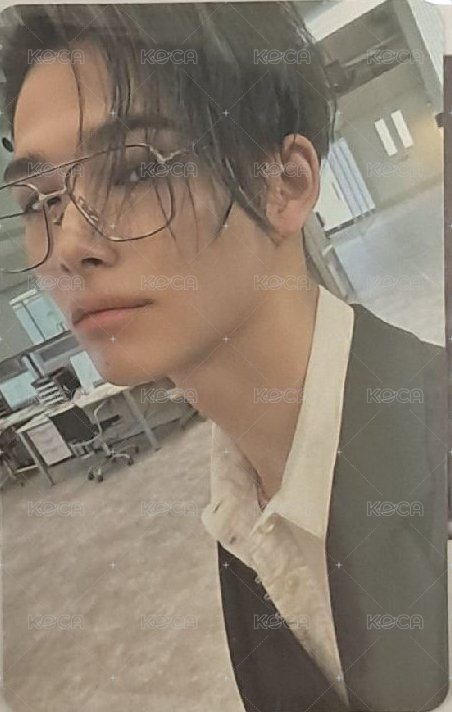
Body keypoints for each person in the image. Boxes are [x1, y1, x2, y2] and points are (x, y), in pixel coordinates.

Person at [0, 4, 448, 710]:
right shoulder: (244, 508)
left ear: (284, 183)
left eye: (136, 170)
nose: (67, 248)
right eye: (37, 201)